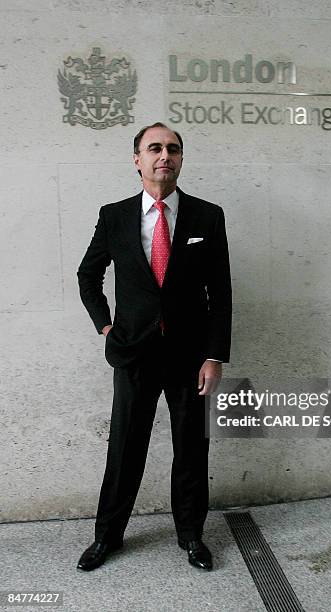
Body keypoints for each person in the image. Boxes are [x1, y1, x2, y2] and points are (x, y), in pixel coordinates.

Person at [76, 122, 232, 572]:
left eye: (174, 149)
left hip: (189, 357)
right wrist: (106, 326)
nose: (165, 155)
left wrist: (214, 355)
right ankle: (107, 537)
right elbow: (89, 275)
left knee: (190, 448)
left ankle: (191, 537)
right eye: (155, 148)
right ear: (137, 159)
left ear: (181, 159)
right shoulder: (115, 216)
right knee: (125, 448)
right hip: (133, 353)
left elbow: (220, 293)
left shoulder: (208, 215)